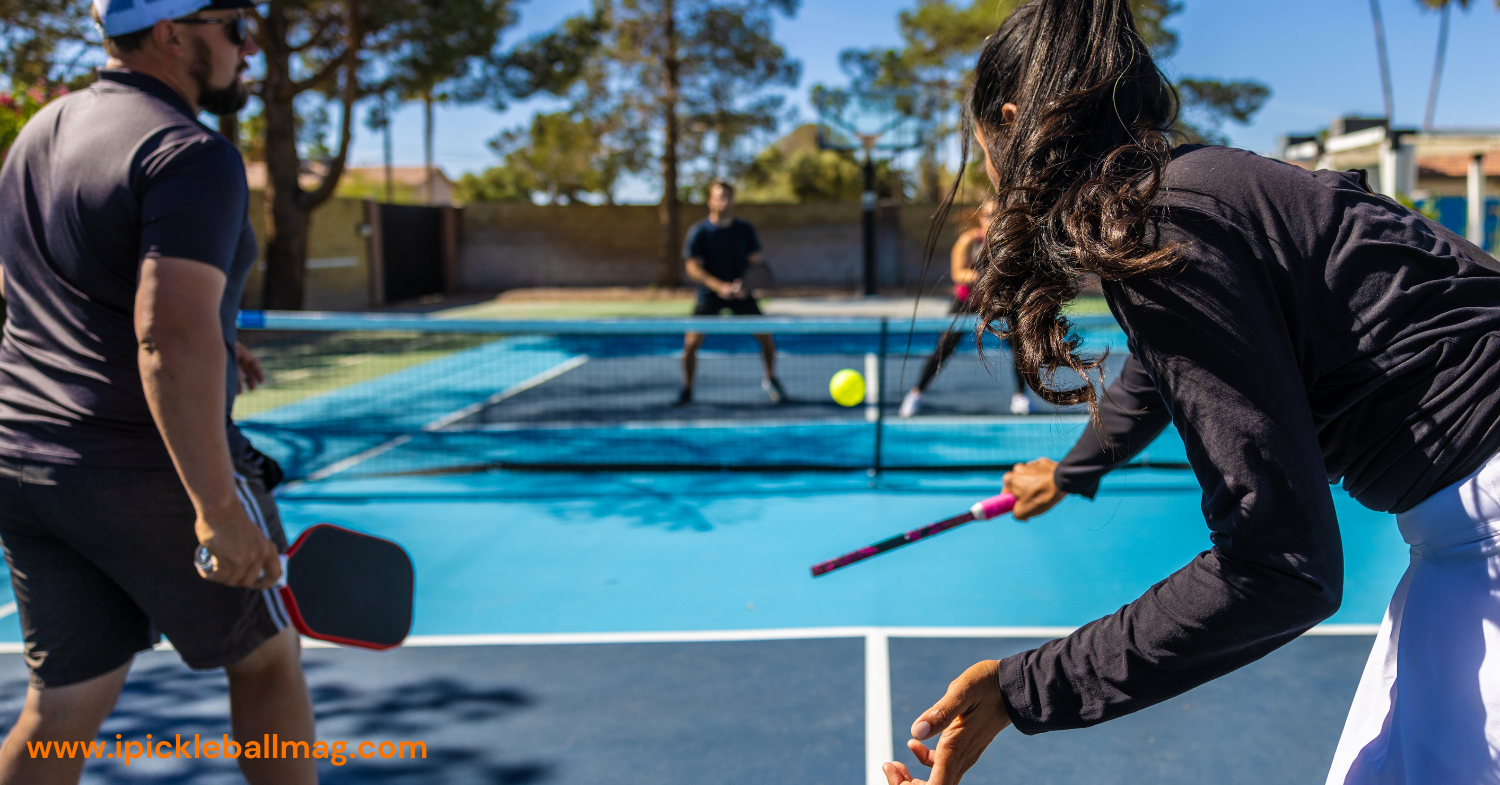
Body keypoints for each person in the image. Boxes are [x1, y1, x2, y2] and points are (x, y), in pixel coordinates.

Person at [881, 1, 1500, 784]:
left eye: (984, 154)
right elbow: (1158, 369)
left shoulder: (1162, 220)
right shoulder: (1193, 191)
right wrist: (1073, 470)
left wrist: (1024, 688)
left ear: (1013, 121)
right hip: (1465, 524)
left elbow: (1279, 565)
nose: (994, 185)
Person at [0, 3, 316, 783]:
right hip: (146, 471)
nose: (249, 44)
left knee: (64, 704)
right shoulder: (191, 152)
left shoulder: (43, 132)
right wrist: (217, 510)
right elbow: (166, 336)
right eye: (235, 25)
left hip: (28, 465)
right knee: (269, 659)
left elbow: (51, 279)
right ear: (173, 33)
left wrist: (213, 331)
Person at [899, 199, 1030, 418]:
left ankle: (1021, 397)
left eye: (998, 213)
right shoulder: (969, 240)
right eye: (988, 214)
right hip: (967, 302)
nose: (993, 218)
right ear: (981, 218)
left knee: (1019, 346)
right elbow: (957, 273)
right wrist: (985, 277)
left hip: (997, 302)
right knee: (944, 347)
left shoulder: (1009, 243)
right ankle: (915, 394)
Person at [678, 180, 786, 406]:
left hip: (741, 295)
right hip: (709, 296)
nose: (723, 201)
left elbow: (756, 263)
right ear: (710, 201)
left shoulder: (744, 230)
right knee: (690, 345)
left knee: (766, 339)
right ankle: (687, 389)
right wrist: (719, 287)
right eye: (719, 196)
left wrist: (744, 285)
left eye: (727, 196)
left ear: (733, 200)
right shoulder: (699, 232)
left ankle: (771, 379)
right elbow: (692, 268)